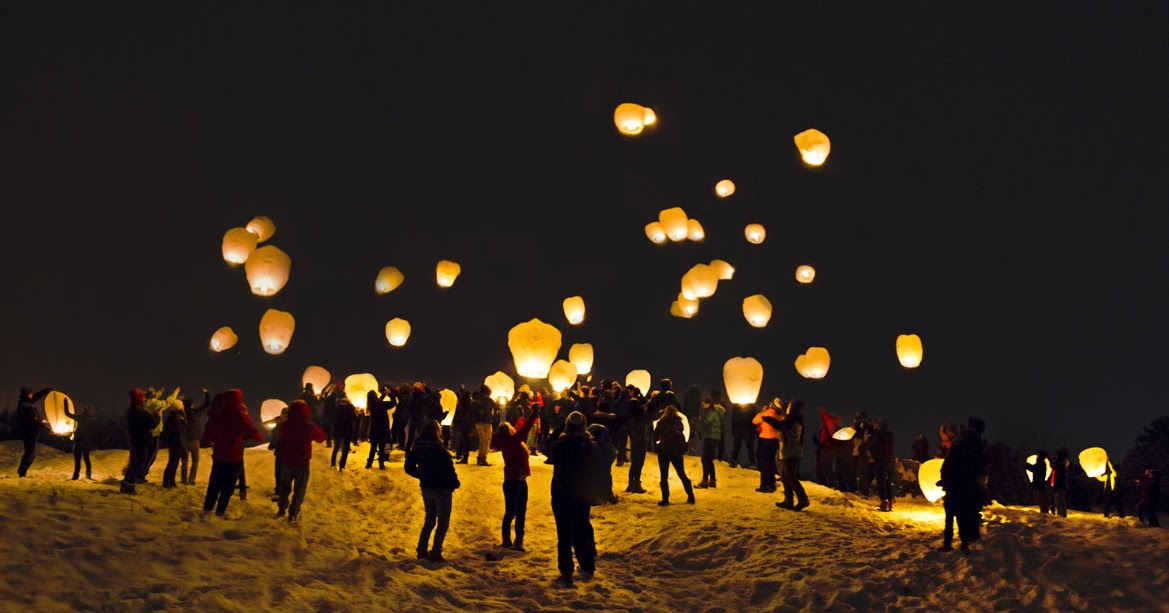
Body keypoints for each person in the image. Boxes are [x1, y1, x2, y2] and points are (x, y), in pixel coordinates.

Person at [547, 411, 597, 587]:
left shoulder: (561, 445)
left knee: (564, 533)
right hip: (582, 492)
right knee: (580, 529)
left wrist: (560, 429)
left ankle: (566, 571)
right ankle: (587, 565)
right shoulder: (590, 446)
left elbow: (548, 449)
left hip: (562, 492)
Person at [404, 420, 460, 562]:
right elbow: (448, 469)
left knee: (429, 520)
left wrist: (422, 475)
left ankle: (422, 548)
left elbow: (408, 467)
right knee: (443, 522)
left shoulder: (418, 448)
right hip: (441, 489)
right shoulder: (438, 449)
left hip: (427, 488)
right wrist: (454, 483)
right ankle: (436, 551)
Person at [200, 389, 262, 518]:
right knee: (228, 486)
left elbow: (208, 432)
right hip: (234, 456)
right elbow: (252, 431)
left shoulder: (217, 415)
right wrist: (256, 436)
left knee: (214, 482)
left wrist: (207, 441)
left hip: (218, 455)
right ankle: (220, 510)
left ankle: (208, 507)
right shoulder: (241, 415)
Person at [491, 405, 538, 550]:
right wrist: (534, 414)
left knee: (518, 512)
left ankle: (516, 540)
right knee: (513, 512)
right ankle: (511, 540)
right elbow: (525, 429)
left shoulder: (509, 442)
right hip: (514, 482)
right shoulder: (511, 442)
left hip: (519, 481)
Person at [939, 417, 987, 553]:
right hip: (967, 483)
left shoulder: (959, 441)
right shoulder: (977, 444)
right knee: (962, 514)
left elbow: (949, 462)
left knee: (950, 515)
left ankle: (947, 543)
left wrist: (945, 478)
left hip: (954, 482)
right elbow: (978, 466)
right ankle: (964, 543)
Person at [274, 399, 326, 523]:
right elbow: (321, 438)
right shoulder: (309, 427)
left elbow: (279, 437)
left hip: (286, 461)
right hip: (302, 462)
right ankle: (293, 512)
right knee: (299, 489)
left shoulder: (284, 425)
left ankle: (282, 507)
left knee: (284, 486)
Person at [763, 400, 810, 511]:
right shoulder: (795, 419)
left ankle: (803, 499)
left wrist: (769, 419)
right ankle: (788, 500)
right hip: (790, 451)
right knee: (785, 476)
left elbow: (781, 426)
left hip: (791, 452)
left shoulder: (792, 419)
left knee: (790, 476)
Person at [654, 405, 695, 506]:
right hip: (676, 451)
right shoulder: (679, 422)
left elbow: (655, 435)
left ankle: (665, 499)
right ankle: (691, 495)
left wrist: (658, 444)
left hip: (664, 450)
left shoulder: (662, 422)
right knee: (682, 474)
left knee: (664, 475)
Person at [15, 386, 52, 477]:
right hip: (29, 432)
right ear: (27, 394)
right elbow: (35, 421)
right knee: (30, 454)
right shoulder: (26, 406)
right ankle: (22, 472)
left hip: (31, 431)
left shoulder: (26, 402)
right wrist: (48, 430)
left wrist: (46, 391)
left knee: (30, 453)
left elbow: (36, 396)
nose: (32, 394)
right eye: (30, 393)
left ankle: (22, 471)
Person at [125, 389, 159, 485]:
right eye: (142, 397)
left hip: (134, 440)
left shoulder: (130, 410)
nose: (144, 399)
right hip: (142, 440)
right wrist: (157, 416)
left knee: (134, 463)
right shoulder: (140, 410)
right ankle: (130, 484)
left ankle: (126, 483)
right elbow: (152, 424)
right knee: (139, 462)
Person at [752, 399, 783, 493]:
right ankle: (772, 483)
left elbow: (755, 421)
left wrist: (762, 411)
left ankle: (765, 485)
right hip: (775, 440)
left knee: (764, 463)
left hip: (765, 440)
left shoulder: (768, 412)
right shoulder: (780, 414)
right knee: (771, 462)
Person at [182, 390, 211, 485]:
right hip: (194, 440)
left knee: (184, 461)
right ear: (191, 405)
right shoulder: (196, 414)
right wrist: (207, 394)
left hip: (184, 440)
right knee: (195, 461)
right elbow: (206, 405)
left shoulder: (181, 414)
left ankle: (184, 480)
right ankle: (191, 479)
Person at [696, 396, 725, 488]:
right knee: (709, 459)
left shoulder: (710, 412)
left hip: (709, 437)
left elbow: (705, 422)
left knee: (705, 459)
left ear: (707, 403)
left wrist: (698, 421)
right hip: (714, 437)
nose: (702, 406)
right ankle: (712, 480)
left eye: (703, 404)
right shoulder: (714, 412)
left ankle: (705, 481)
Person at [64, 399, 97, 480]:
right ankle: (88, 474)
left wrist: (65, 404)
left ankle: (76, 475)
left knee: (77, 459)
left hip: (78, 441)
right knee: (86, 458)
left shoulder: (80, 417)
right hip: (86, 441)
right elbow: (94, 431)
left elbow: (67, 413)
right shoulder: (91, 419)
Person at [160, 399, 189, 488]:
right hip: (176, 444)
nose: (183, 406)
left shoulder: (176, 416)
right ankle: (167, 481)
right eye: (182, 405)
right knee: (172, 463)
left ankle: (171, 480)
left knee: (174, 463)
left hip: (176, 443)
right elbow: (179, 433)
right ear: (179, 407)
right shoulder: (176, 418)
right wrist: (183, 446)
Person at [587, 423, 617, 505]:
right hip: (604, 454)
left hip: (602, 455)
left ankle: (599, 495)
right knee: (604, 474)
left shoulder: (596, 447)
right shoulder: (607, 447)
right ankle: (605, 494)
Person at [366, 388, 396, 470]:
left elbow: (378, 401)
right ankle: (381, 464)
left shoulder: (371, 405)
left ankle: (369, 464)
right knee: (382, 448)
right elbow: (393, 403)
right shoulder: (381, 404)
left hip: (374, 429)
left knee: (373, 448)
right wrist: (390, 394)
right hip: (382, 428)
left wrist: (383, 395)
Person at [623, 397, 648, 494]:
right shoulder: (640, 416)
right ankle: (636, 484)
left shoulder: (628, 416)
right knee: (639, 463)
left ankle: (630, 483)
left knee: (634, 463)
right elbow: (651, 417)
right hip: (641, 442)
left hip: (633, 442)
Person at [870, 417, 896, 512]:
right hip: (890, 460)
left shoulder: (879, 435)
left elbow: (875, 447)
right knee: (888, 481)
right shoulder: (890, 434)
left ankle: (884, 502)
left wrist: (872, 455)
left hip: (881, 460)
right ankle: (890, 501)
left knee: (881, 481)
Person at [330, 392, 357, 471]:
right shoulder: (350, 407)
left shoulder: (336, 407)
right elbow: (354, 417)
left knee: (336, 446)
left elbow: (333, 418)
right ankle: (342, 464)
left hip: (338, 429)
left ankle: (333, 463)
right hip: (348, 429)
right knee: (345, 448)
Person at [470, 387, 497, 466]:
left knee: (482, 441)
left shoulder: (475, 401)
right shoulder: (488, 400)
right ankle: (483, 458)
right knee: (486, 441)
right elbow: (497, 407)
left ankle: (480, 457)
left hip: (477, 422)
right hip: (486, 422)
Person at [728, 401, 756, 469]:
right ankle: (751, 463)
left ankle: (734, 461)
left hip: (743, 430)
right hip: (745, 430)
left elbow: (733, 420)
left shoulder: (736, 408)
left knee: (743, 447)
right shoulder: (750, 408)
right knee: (747, 447)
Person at [452, 388, 474, 464]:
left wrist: (456, 423)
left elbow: (457, 415)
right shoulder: (470, 404)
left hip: (461, 425)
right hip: (466, 425)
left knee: (462, 440)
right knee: (465, 441)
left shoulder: (460, 405)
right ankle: (464, 457)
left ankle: (461, 455)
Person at [681, 386, 703, 455]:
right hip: (695, 416)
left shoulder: (687, 396)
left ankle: (688, 449)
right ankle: (693, 450)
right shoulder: (698, 397)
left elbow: (684, 406)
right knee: (694, 434)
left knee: (689, 433)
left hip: (687, 416)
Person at [1028, 450, 1051, 515]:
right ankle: (1043, 509)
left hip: (1039, 482)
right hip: (1038, 482)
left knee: (1041, 496)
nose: (1037, 456)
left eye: (1038, 455)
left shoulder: (1041, 463)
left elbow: (1035, 469)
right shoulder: (1040, 463)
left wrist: (1028, 465)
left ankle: (1044, 510)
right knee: (1040, 496)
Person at [1051, 448, 1070, 518]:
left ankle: (1062, 516)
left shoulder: (1061, 465)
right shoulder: (1060, 464)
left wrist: (1051, 460)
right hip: (1058, 485)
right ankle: (1060, 515)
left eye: (1056, 455)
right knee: (1058, 501)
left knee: (1060, 501)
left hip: (1059, 485)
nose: (1055, 457)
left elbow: (1054, 466)